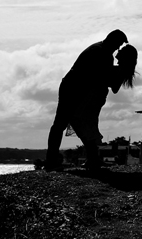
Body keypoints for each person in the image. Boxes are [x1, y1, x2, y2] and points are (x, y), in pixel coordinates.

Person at [43, 29, 136, 171]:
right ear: (113, 41)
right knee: (64, 125)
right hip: (74, 91)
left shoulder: (104, 53)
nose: (118, 48)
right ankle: (52, 161)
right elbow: (99, 79)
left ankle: (91, 160)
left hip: (83, 93)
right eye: (118, 45)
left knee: (81, 126)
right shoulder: (100, 53)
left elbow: (105, 81)